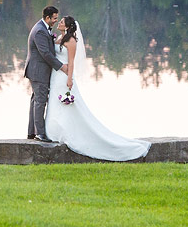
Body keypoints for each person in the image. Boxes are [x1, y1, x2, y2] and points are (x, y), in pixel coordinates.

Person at [45, 16, 151, 161]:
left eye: (62, 21)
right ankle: (55, 129)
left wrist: (69, 79)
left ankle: (68, 131)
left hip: (64, 76)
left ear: (68, 26)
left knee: (68, 105)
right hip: (55, 76)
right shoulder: (58, 39)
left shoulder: (71, 41)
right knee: (55, 103)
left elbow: (71, 61)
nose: (59, 23)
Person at [24, 6, 63, 142]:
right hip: (38, 72)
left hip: (36, 71)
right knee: (40, 101)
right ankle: (40, 134)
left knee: (36, 101)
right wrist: (61, 66)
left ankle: (32, 132)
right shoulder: (40, 31)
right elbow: (45, 53)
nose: (55, 21)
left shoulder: (42, 28)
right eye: (54, 18)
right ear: (47, 18)